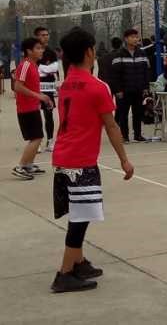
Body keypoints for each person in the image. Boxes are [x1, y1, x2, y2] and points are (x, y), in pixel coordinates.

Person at [50, 27, 134, 293]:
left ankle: (78, 262)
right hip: (80, 159)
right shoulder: (97, 87)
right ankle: (64, 273)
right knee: (81, 217)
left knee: (79, 212)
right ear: (89, 52)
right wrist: (124, 160)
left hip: (64, 155)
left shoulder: (66, 84)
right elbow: (112, 125)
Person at [11, 38, 53, 180]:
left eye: (42, 48)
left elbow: (32, 87)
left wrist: (44, 98)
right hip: (26, 109)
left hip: (33, 107)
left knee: (37, 136)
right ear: (29, 51)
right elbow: (17, 86)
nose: (42, 51)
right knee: (36, 137)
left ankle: (29, 165)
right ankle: (21, 166)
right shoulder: (25, 65)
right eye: (38, 48)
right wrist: (38, 96)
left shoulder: (34, 65)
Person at [110, 29, 150, 143]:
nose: (135, 39)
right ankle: (125, 136)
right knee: (123, 114)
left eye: (136, 37)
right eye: (132, 37)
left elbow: (146, 72)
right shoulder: (118, 54)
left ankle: (138, 135)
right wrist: (117, 90)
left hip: (138, 89)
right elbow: (115, 74)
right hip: (124, 90)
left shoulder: (142, 53)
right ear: (126, 39)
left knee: (138, 113)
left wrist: (145, 87)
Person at [33, 27, 60, 152]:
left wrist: (42, 69)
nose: (46, 37)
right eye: (43, 35)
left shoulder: (51, 52)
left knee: (48, 114)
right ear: (37, 36)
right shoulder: (32, 51)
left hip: (48, 86)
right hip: (35, 86)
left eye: (47, 34)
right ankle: (36, 141)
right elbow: (34, 70)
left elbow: (54, 68)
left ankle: (50, 141)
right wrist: (45, 69)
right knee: (35, 114)